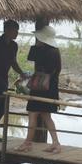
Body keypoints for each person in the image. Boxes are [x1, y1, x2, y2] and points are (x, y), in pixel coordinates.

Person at [15, 25, 62, 154]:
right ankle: (56, 143)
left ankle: (27, 143)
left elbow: (32, 58)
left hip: (41, 88)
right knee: (46, 115)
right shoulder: (55, 51)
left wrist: (37, 46)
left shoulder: (44, 51)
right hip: (51, 88)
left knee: (32, 113)